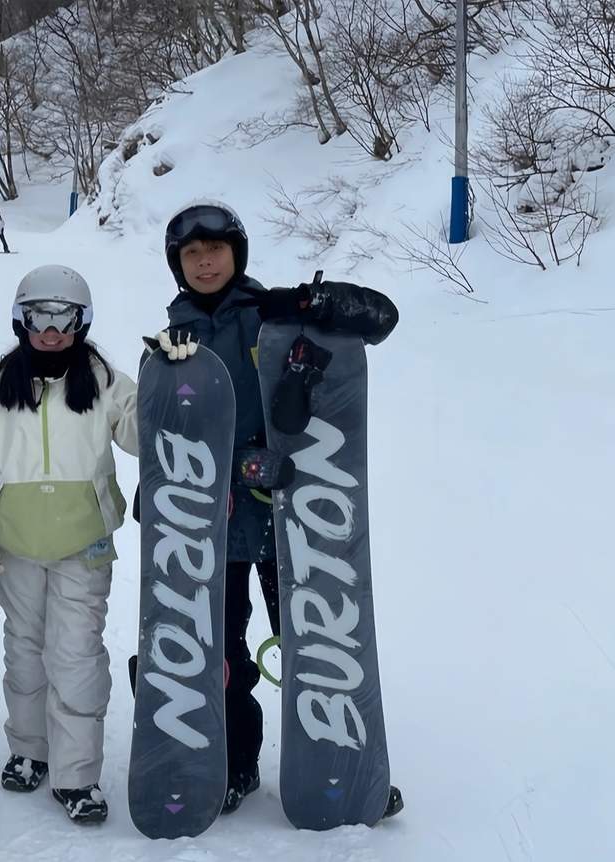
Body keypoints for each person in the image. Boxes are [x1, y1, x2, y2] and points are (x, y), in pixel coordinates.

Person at [146, 198, 403, 818]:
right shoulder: (172, 340)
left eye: (216, 250)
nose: (206, 262)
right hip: (215, 520)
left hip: (295, 512)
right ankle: (233, 765)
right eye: (192, 254)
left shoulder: (271, 313)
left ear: (237, 253)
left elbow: (381, 318)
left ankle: (344, 757)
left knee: (316, 636)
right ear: (178, 266)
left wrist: (316, 304)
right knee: (219, 648)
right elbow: (168, 431)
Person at [0, 265, 138, 825]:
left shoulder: (104, 380)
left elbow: (144, 430)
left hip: (81, 542)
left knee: (76, 656)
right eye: (39, 316)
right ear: (22, 320)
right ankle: (29, 749)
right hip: (15, 546)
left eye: (65, 317)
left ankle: (77, 774)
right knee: (24, 651)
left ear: (81, 321)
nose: (52, 330)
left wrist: (172, 381)